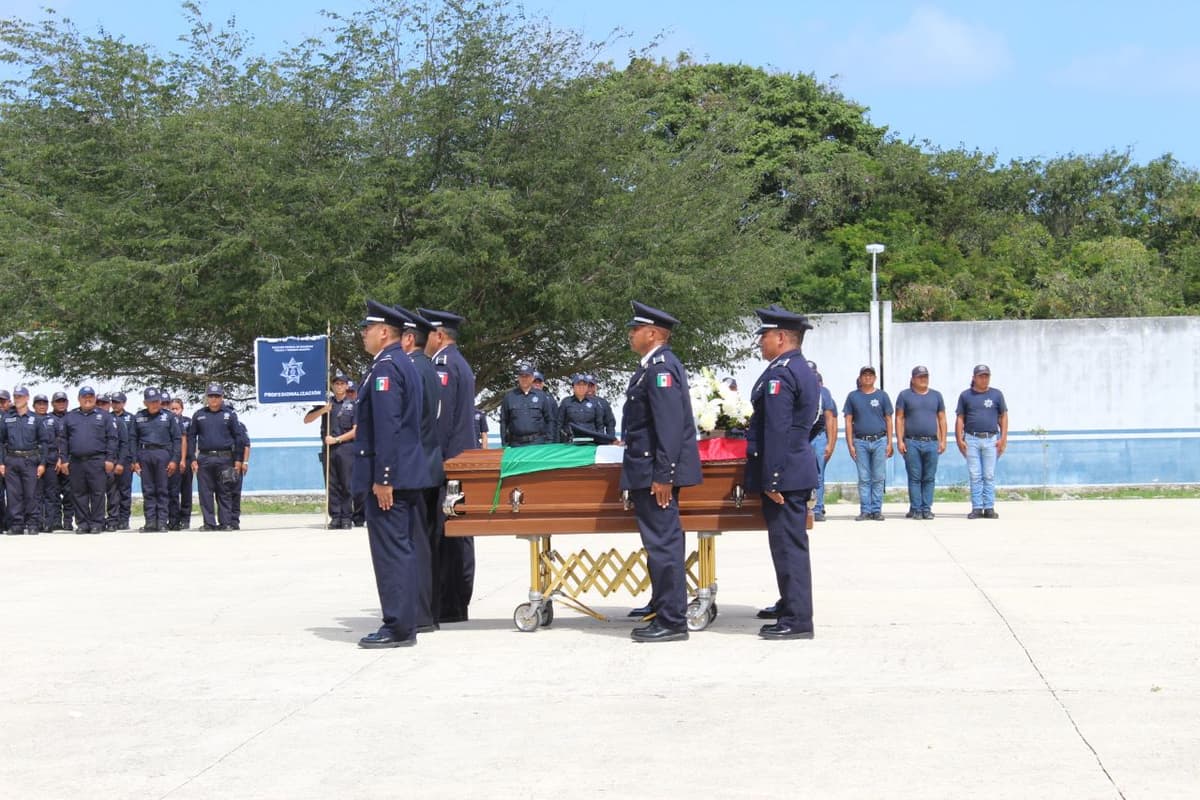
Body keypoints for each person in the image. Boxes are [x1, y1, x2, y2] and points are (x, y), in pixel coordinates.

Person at [354, 299, 433, 648]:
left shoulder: (386, 367)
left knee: (392, 551)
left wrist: (383, 478)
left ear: (384, 331)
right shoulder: (402, 363)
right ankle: (406, 619)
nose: (363, 335)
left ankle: (399, 626)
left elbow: (389, 427)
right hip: (405, 473)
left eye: (367, 329)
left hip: (392, 478)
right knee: (403, 547)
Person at [622, 301, 702, 643]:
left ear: (652, 333)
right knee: (661, 544)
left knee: (664, 545)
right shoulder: (650, 367)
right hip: (648, 467)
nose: (631, 335)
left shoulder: (660, 368)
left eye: (636, 329)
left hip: (655, 473)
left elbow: (669, 426)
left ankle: (672, 621)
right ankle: (664, 609)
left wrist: (664, 476)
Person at [745, 305, 820, 640]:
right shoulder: (800, 369)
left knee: (789, 546)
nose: (760, 342)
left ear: (780, 337)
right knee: (787, 545)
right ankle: (791, 604)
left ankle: (798, 620)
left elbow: (777, 428)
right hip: (794, 466)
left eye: (764, 335)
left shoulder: (781, 374)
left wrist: (772, 477)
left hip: (785, 474)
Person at [419, 306, 479, 624]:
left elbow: (440, 421)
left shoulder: (443, 365)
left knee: (448, 535)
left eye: (426, 333)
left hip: (448, 464)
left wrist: (432, 462)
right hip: (459, 461)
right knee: (457, 534)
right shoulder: (459, 363)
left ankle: (450, 603)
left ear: (439, 335)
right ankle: (456, 601)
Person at [57, 386, 117, 533]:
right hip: (76, 461)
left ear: (95, 398)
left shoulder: (104, 416)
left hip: (97, 460)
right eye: (84, 396)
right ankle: (82, 523)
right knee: (78, 493)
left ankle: (97, 522)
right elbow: (63, 440)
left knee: (98, 492)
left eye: (90, 396)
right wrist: (64, 460)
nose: (87, 399)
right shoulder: (70, 417)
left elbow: (112, 439)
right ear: (79, 399)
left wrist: (110, 459)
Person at [304, 372, 357, 529]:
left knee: (346, 484)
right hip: (329, 449)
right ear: (332, 386)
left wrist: (338, 439)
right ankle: (335, 516)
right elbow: (307, 420)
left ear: (347, 386)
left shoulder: (353, 405)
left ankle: (346, 517)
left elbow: (356, 431)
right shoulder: (326, 403)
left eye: (342, 383)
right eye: (336, 384)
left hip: (346, 448)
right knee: (331, 484)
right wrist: (323, 410)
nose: (339, 386)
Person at [955, 364, 1009, 519]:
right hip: (971, 439)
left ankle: (989, 507)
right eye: (981, 376)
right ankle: (977, 507)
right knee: (975, 475)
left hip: (991, 439)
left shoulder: (997, 395)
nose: (984, 379)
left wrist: (1003, 438)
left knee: (989, 474)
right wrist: (959, 439)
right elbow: (960, 418)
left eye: (986, 376)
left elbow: (1003, 417)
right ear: (974, 378)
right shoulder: (966, 396)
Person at [190, 383, 246, 531]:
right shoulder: (199, 415)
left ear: (222, 397)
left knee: (225, 491)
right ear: (207, 398)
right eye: (211, 396)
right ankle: (209, 523)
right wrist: (192, 459)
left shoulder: (230, 415)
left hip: (225, 458)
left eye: (217, 396)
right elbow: (191, 438)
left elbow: (239, 438)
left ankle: (226, 522)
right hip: (204, 458)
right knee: (205, 492)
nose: (214, 399)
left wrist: (239, 460)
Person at [895, 366, 947, 520]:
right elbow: (899, 418)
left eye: (925, 376)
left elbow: (942, 418)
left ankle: (926, 508)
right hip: (912, 442)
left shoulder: (936, 396)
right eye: (920, 377)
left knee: (929, 477)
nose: (923, 379)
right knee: (915, 477)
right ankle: (916, 509)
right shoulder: (905, 395)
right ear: (913, 379)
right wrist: (899, 440)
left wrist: (943, 440)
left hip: (932, 442)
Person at [843, 366, 893, 521]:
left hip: (879, 441)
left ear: (875, 378)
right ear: (860, 378)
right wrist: (850, 444)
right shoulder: (853, 397)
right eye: (864, 375)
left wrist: (890, 443)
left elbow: (889, 420)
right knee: (864, 478)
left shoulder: (882, 396)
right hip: (860, 442)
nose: (867, 378)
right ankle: (865, 510)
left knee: (878, 477)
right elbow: (848, 421)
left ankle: (876, 510)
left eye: (870, 375)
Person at [130, 387, 182, 532]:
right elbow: (133, 439)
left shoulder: (168, 416)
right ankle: (150, 522)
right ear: (145, 402)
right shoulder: (138, 417)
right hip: (144, 454)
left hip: (163, 454)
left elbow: (177, 439)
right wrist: (134, 461)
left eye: (157, 401)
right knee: (148, 490)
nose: (154, 404)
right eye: (151, 401)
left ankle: (162, 522)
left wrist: (174, 460)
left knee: (162, 489)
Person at [1, 386, 51, 535]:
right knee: (13, 494)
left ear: (27, 398)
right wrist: (1, 462)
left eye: (21, 396)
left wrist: (42, 463)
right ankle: (17, 524)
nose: (18, 399)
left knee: (31, 494)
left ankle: (33, 523)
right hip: (11, 459)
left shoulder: (35, 418)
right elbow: (1, 441)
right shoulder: (7, 418)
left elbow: (44, 443)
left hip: (30, 460)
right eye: (15, 396)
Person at [808, 362, 837, 522]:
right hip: (801, 437)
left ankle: (818, 509)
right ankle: (804, 507)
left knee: (818, 475)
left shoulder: (824, 392)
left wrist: (830, 444)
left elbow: (830, 419)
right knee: (801, 474)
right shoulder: (796, 388)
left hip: (818, 436)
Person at [499, 363, 555, 447]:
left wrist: (549, 441)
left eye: (527, 376)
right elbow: (504, 422)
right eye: (522, 376)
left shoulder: (541, 396)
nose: (524, 379)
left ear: (532, 378)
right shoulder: (509, 397)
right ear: (518, 378)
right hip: (516, 444)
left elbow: (550, 420)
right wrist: (504, 443)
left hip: (537, 443)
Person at [106, 392, 135, 531]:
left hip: (125, 460)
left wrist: (129, 461)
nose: (115, 404)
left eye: (118, 402)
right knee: (111, 491)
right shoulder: (108, 418)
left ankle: (124, 519)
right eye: (114, 402)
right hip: (111, 459)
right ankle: (113, 518)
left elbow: (132, 441)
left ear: (124, 403)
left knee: (125, 491)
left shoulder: (131, 418)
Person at [166, 395, 195, 530]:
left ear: (182, 409)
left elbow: (191, 441)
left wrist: (190, 459)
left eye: (176, 408)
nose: (174, 411)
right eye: (172, 409)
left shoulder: (188, 422)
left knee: (186, 490)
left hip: (187, 460)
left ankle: (185, 518)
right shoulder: (168, 421)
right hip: (173, 460)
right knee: (173, 491)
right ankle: (174, 518)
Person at [49, 390, 74, 531]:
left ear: (67, 402)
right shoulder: (47, 418)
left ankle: (68, 520)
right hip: (52, 461)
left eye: (63, 401)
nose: (61, 404)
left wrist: (63, 458)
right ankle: (56, 520)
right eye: (58, 401)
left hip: (68, 461)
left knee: (69, 492)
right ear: (53, 403)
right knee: (54, 492)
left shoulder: (72, 418)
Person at [33, 393, 58, 533]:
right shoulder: (30, 419)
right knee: (36, 494)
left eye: (44, 403)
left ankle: (49, 523)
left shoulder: (53, 420)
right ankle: (37, 522)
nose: (42, 406)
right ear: (34, 405)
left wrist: (60, 458)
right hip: (34, 460)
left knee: (50, 493)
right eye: (39, 403)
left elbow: (60, 440)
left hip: (51, 460)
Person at [558, 374, 605, 442]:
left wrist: (600, 442)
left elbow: (600, 426)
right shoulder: (566, 402)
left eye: (584, 385)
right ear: (573, 387)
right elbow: (559, 424)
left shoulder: (595, 403)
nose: (581, 387)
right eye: (578, 385)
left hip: (591, 443)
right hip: (570, 443)